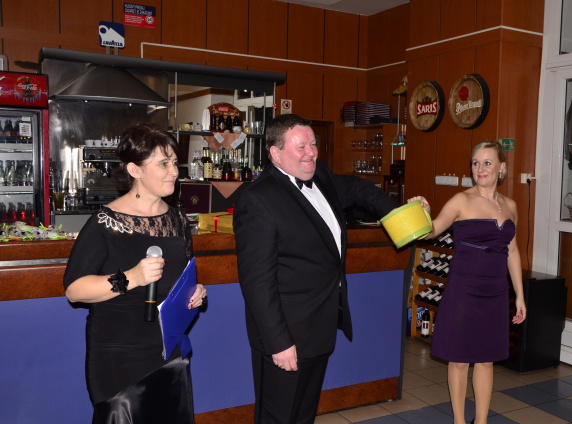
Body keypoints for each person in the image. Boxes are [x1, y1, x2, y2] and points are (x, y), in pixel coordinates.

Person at [233, 114, 399, 424]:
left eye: (313, 144)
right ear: (275, 153)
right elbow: (257, 282)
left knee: (303, 414)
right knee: (279, 417)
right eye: (301, 147)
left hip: (319, 326)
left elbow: (358, 189)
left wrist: (400, 214)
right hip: (286, 334)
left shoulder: (320, 174)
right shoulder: (257, 200)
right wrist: (279, 342)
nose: (311, 153)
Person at [63, 123, 207, 424]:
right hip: (118, 354)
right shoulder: (105, 222)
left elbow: (181, 278)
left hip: (168, 350)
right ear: (134, 170)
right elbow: (74, 290)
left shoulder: (179, 220)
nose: (174, 171)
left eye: (174, 162)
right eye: (163, 164)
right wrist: (131, 278)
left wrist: (195, 293)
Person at [409, 140, 527, 424]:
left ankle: (481, 421)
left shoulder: (511, 206)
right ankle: (459, 421)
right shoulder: (461, 200)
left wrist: (520, 295)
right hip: (464, 290)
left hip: (496, 291)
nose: (480, 169)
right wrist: (422, 211)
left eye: (487, 163)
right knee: (460, 359)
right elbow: (431, 231)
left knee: (486, 359)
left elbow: (512, 251)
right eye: (476, 163)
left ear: (501, 167)